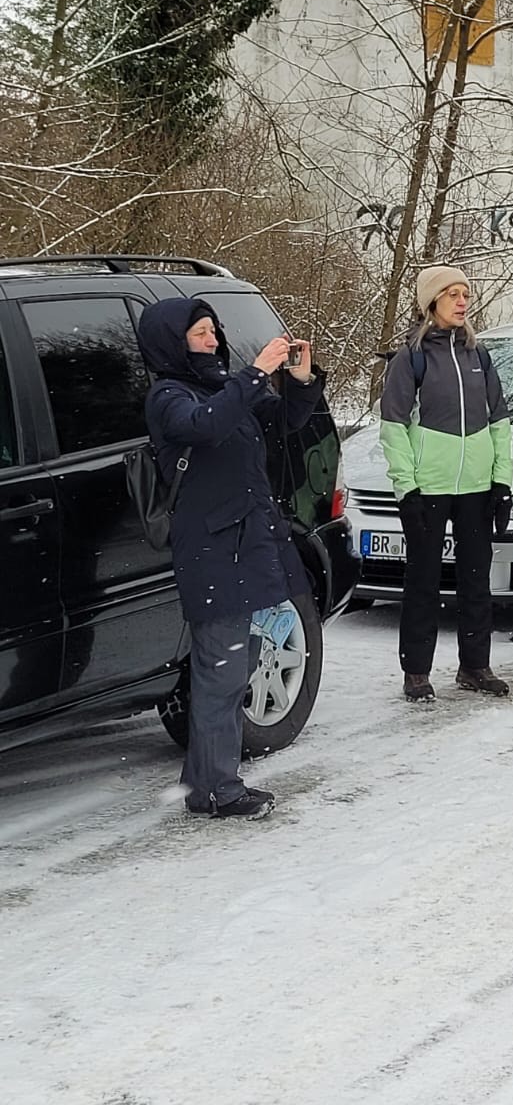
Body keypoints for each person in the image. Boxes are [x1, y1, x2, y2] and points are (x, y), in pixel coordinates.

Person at [139, 298, 323, 819]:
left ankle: (204, 780)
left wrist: (301, 381)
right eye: (200, 333)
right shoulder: (169, 396)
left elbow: (281, 421)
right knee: (221, 668)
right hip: (211, 548)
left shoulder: (223, 386)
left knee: (235, 663)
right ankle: (216, 788)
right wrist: (255, 371)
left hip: (244, 540)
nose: (212, 340)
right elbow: (206, 427)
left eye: (212, 331)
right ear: (173, 343)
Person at [380, 265, 513, 702]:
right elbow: (394, 427)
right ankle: (416, 671)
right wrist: (407, 489)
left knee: (476, 580)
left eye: (465, 294)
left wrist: (501, 483)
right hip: (429, 488)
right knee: (423, 580)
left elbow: (499, 422)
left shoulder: (480, 356)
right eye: (452, 294)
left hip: (475, 487)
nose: (462, 302)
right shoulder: (411, 359)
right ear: (430, 302)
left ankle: (475, 666)